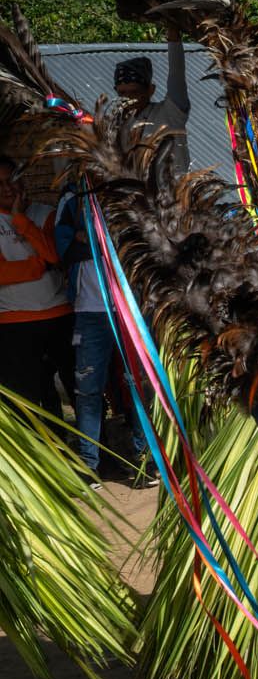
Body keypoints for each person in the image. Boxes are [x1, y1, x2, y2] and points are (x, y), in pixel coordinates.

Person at [54, 175, 147, 481]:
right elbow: (64, 253)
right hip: (90, 312)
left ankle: (145, 458)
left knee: (138, 384)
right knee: (87, 392)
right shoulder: (71, 197)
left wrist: (89, 238)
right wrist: (98, 242)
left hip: (130, 310)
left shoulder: (126, 187)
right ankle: (88, 465)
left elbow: (137, 246)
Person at [0, 153, 72, 416]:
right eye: (0, 184)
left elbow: (55, 254)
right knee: (26, 397)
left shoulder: (46, 214)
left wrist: (21, 221)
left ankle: (94, 453)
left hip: (60, 313)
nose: (8, 188)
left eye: (12, 180)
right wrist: (37, 265)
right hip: (13, 322)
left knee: (77, 387)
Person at [113, 30, 190, 177]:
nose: (128, 98)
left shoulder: (170, 114)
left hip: (175, 196)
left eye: (135, 92)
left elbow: (177, 74)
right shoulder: (116, 126)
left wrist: (173, 37)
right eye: (122, 93)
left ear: (151, 90)